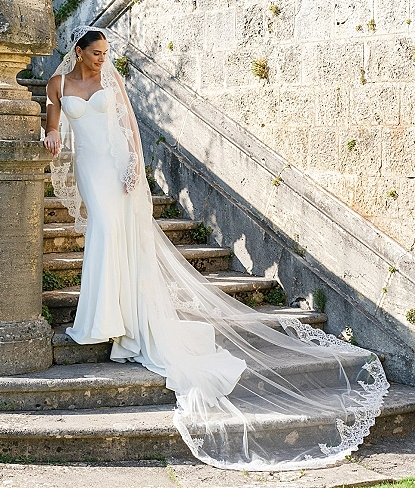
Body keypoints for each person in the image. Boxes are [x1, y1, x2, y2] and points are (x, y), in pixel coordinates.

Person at [44, 25, 389, 471]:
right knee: (105, 231)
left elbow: (128, 125)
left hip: (116, 165)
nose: (101, 61)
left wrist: (135, 166)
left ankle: (122, 320)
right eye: (95, 54)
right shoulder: (57, 84)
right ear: (77, 51)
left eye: (106, 53)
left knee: (117, 233)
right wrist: (49, 136)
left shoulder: (112, 80)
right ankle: (100, 318)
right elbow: (53, 127)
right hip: (90, 168)